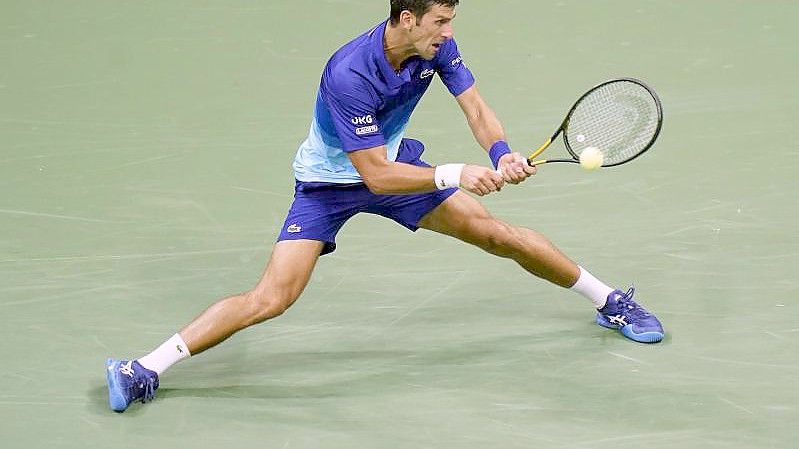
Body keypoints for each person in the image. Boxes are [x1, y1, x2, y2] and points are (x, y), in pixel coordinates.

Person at [105, 0, 664, 413]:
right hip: (331, 186)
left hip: (399, 168)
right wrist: (455, 173)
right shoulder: (349, 72)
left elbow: (474, 105)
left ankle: (609, 300)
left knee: (499, 235)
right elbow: (371, 173)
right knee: (270, 298)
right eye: (439, 22)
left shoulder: (438, 48)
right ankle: (144, 369)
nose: (448, 33)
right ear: (404, 18)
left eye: (451, 22)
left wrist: (500, 152)